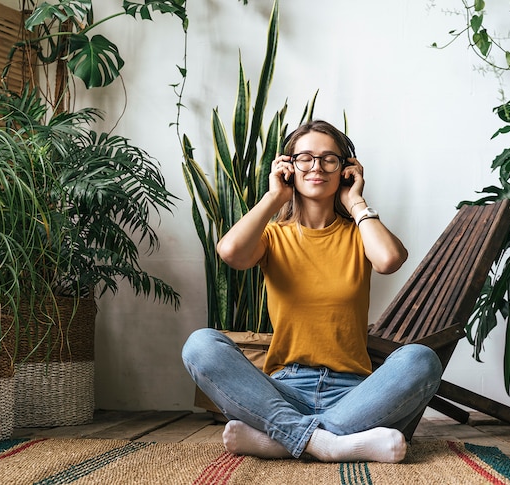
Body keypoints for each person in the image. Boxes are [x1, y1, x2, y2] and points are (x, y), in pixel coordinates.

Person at [181, 120, 442, 463]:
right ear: (288, 167)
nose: (316, 167)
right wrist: (274, 196)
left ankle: (281, 439)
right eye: (305, 158)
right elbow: (230, 252)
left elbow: (389, 259)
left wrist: (357, 202)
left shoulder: (359, 233)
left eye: (329, 159)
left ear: (346, 170)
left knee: (420, 359)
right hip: (283, 390)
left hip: (356, 394)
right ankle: (332, 444)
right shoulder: (273, 237)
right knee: (200, 344)